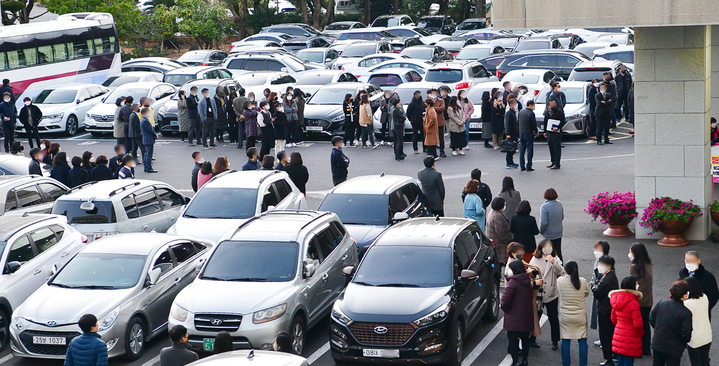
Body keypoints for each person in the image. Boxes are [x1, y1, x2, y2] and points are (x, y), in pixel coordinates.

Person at [530, 239, 564, 350]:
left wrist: (553, 262)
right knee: (536, 316)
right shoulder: (535, 259)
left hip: (551, 293)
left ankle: (555, 341)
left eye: (550, 246)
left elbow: (560, 271)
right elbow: (529, 272)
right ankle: (532, 339)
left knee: (553, 318)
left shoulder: (555, 258)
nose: (548, 248)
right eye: (546, 246)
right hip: (539, 293)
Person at [502, 260, 537, 366]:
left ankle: (516, 361)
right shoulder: (528, 280)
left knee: (513, 340)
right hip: (526, 316)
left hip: (513, 318)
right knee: (525, 340)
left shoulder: (513, 283)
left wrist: (505, 309)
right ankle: (525, 360)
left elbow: (505, 300)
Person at [650, 281, 692, 366]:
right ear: (684, 295)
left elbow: (652, 320)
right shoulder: (686, 312)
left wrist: (659, 329)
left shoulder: (661, 303)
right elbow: (686, 334)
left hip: (658, 343)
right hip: (674, 348)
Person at [558, 261, 589, 366]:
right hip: (580, 316)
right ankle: (583, 364)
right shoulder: (583, 281)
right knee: (582, 341)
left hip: (565, 316)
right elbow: (586, 293)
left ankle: (566, 363)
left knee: (565, 341)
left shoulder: (560, 281)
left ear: (565, 270)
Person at [609, 275, 644, 366]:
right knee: (628, 360)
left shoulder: (615, 299)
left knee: (620, 359)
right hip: (631, 336)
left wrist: (619, 326)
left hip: (618, 333)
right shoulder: (634, 302)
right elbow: (638, 324)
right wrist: (640, 334)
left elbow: (613, 318)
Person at [591, 255, 619, 366]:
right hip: (609, 309)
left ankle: (609, 359)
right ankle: (614, 355)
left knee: (605, 335)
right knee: (611, 333)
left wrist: (593, 286)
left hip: (605, 310)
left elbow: (597, 293)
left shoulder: (607, 279)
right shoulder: (610, 276)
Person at [627, 242, 653, 355]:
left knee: (635, 325)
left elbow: (630, 283)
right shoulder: (647, 264)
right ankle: (646, 347)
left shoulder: (633, 267)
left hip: (637, 299)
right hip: (647, 299)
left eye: (630, 251)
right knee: (645, 324)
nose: (629, 254)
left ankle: (637, 348)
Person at [679, 250, 719, 318]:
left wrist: (705, 307)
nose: (690, 263)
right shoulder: (683, 273)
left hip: (701, 312)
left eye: (693, 261)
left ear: (699, 261)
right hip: (684, 310)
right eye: (688, 261)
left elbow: (714, 295)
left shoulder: (708, 276)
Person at [684, 276, 712, 366]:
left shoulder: (687, 303)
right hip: (706, 335)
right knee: (705, 360)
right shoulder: (705, 297)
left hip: (694, 338)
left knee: (695, 362)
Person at [591, 241, 611, 334]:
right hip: (598, 290)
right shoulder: (598, 261)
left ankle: (604, 338)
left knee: (603, 316)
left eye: (598, 249)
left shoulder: (606, 262)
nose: (596, 251)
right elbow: (594, 275)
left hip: (602, 293)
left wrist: (595, 286)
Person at [487, 197, 512, 269]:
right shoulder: (497, 217)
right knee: (501, 264)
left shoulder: (492, 212)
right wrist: (509, 240)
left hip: (495, 242)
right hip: (500, 245)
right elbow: (501, 233)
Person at [540, 188, 564, 261]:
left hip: (548, 234)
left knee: (548, 252)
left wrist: (541, 231)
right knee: (558, 251)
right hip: (558, 232)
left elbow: (544, 223)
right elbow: (562, 216)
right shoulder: (559, 204)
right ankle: (560, 268)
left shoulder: (544, 207)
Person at [544, 99, 566, 169]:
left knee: (556, 147)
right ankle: (553, 161)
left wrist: (557, 128)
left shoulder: (559, 112)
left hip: (556, 132)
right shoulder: (547, 112)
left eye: (554, 103)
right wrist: (545, 131)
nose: (554, 105)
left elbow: (563, 121)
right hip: (549, 132)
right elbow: (545, 122)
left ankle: (557, 163)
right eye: (552, 104)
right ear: (548, 106)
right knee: (551, 147)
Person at [518, 100, 537, 171]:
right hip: (528, 133)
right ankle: (529, 166)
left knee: (522, 150)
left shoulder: (521, 112)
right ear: (531, 105)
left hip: (521, 133)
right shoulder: (531, 113)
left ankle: (522, 166)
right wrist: (536, 131)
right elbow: (533, 124)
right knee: (529, 150)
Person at [140, 107, 158, 173]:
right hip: (148, 139)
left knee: (146, 154)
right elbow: (150, 130)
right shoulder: (145, 121)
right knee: (148, 154)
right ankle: (148, 167)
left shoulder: (143, 120)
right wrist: (155, 134)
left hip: (146, 139)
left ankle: (146, 167)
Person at [504, 98, 519, 167]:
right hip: (511, 133)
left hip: (515, 132)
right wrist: (508, 133)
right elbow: (507, 124)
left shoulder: (514, 112)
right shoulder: (509, 113)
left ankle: (511, 161)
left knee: (514, 148)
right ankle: (508, 162)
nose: (516, 105)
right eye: (514, 104)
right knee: (510, 148)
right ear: (510, 105)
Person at [433, 88, 448, 157]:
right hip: (432, 122)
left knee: (441, 137)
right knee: (433, 137)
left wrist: (433, 108)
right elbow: (426, 109)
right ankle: (433, 151)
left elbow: (442, 108)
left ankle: (442, 150)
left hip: (440, 121)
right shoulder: (428, 101)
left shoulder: (441, 100)